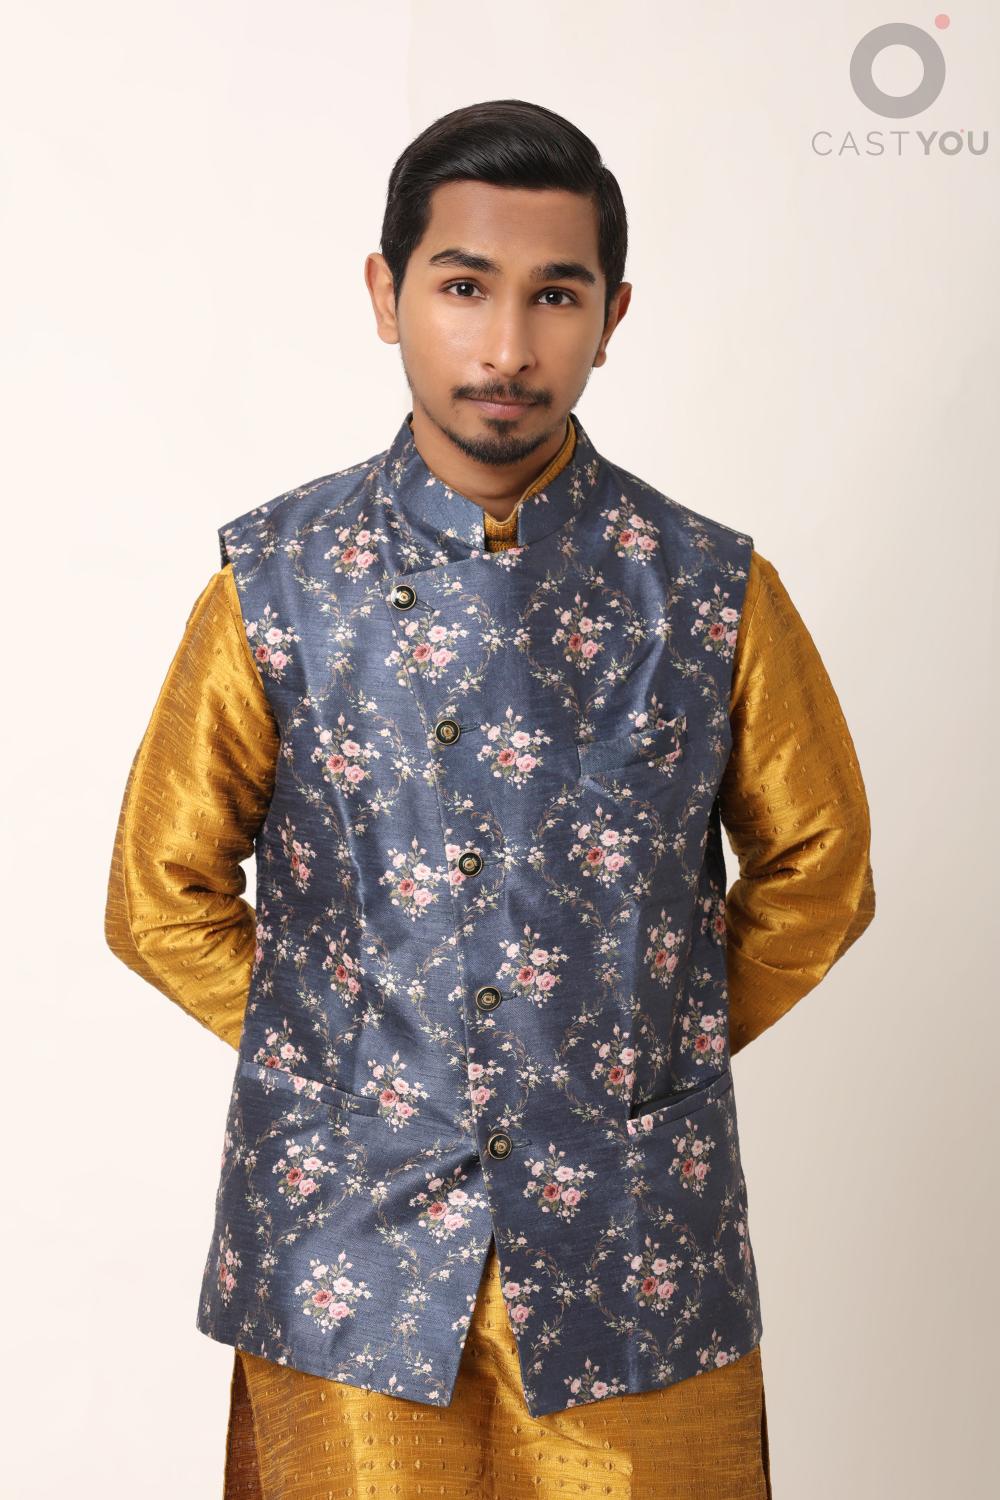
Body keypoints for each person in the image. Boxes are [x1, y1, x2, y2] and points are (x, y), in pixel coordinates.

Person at [105, 98, 875, 1499]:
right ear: (386, 295)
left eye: (555, 296)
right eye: (464, 287)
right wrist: (354, 1059)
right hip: (344, 1242)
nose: (508, 347)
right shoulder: (278, 582)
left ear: (612, 315)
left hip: (638, 1237)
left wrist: (642, 1043)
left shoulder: (708, 591)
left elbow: (820, 872)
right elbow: (160, 895)